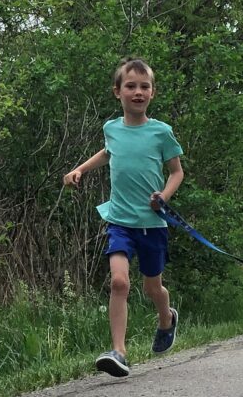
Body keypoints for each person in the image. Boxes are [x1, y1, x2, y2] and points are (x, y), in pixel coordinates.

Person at [63, 58, 184, 377]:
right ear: (118, 92)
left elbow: (176, 172)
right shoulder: (111, 128)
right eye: (131, 86)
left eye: (144, 86)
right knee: (119, 282)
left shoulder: (161, 132)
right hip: (120, 220)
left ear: (152, 93)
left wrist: (164, 196)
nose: (138, 91)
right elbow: (108, 152)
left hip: (152, 223)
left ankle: (166, 318)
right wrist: (80, 169)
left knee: (152, 287)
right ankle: (119, 351)